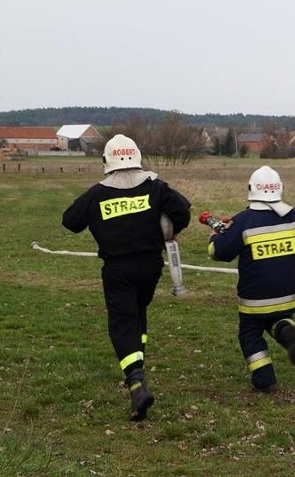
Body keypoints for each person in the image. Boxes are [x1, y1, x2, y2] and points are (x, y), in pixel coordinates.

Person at [62, 134, 191, 421]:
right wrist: (170, 227)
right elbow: (182, 210)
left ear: (107, 161)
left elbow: (70, 221)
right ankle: (138, 361)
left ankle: (135, 381)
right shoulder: (155, 187)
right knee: (138, 313)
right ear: (137, 157)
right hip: (150, 266)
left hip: (118, 269)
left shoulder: (97, 193)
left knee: (122, 322)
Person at [206, 166, 295, 394]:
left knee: (249, 334)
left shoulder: (243, 221)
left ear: (252, 190)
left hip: (254, 300)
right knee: (276, 319)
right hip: (287, 297)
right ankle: (285, 327)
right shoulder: (294, 216)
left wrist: (214, 238)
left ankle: (264, 377)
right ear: (279, 189)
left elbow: (219, 252)